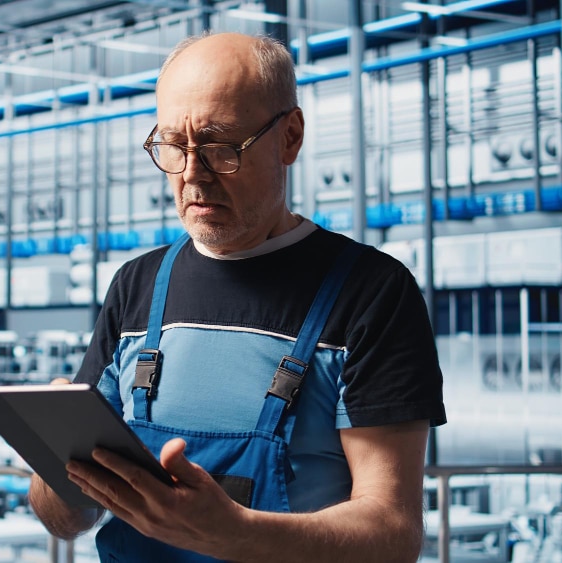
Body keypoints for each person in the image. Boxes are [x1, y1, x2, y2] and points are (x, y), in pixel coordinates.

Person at [28, 31, 446, 562]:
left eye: (221, 146)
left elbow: (392, 535)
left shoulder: (372, 293)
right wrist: (54, 467)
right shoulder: (136, 285)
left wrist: (236, 533)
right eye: (173, 147)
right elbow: (68, 519)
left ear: (290, 136)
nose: (192, 175)